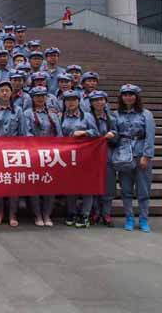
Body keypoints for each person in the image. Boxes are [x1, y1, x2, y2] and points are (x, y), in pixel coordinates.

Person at [0, 80, 26, 227]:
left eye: (7, 90)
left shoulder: (18, 110)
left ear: (12, 93)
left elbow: (22, 133)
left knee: (13, 184)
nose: (5, 93)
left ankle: (12, 214)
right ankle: (0, 212)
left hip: (14, 152)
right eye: (2, 90)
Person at [114, 84, 155, 233]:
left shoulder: (146, 114)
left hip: (140, 153)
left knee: (143, 189)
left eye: (131, 94)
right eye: (125, 95)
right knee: (126, 189)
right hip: (124, 155)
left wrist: (146, 155)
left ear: (136, 97)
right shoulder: (116, 114)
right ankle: (129, 217)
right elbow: (114, 134)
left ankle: (143, 218)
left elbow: (150, 136)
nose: (128, 97)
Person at [59, 90, 99, 228]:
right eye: (68, 100)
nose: (70, 102)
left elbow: (96, 133)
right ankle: (72, 212)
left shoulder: (87, 116)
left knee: (87, 186)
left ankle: (85, 214)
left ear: (78, 101)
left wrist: (84, 132)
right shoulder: (61, 116)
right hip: (67, 156)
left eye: (73, 99)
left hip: (85, 155)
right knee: (71, 186)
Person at [24, 86, 61, 227]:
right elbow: (26, 132)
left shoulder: (52, 114)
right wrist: (37, 145)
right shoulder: (27, 113)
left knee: (50, 185)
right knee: (35, 185)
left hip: (51, 154)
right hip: (34, 153)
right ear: (32, 98)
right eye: (37, 96)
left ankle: (47, 214)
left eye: (42, 96)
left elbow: (58, 133)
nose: (40, 98)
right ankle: (37, 215)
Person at [87, 90, 119, 227]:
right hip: (92, 155)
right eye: (95, 100)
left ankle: (106, 214)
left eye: (101, 99)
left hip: (107, 154)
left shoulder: (112, 118)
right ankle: (95, 212)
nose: (99, 102)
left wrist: (113, 135)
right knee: (93, 184)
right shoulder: (87, 117)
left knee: (108, 184)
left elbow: (117, 137)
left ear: (105, 102)